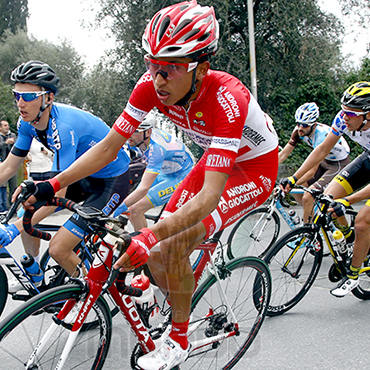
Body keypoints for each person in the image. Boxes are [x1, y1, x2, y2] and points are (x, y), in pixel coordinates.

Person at [17, 2, 279, 368]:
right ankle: (175, 289)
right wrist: (52, 184)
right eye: (151, 65)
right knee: (158, 253)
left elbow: (208, 196)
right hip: (213, 160)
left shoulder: (227, 98)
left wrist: (152, 237)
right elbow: (109, 147)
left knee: (167, 243)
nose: (158, 79)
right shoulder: (150, 87)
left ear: (202, 68)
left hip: (253, 169)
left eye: (170, 68)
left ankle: (179, 338)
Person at [0, 60, 130, 292]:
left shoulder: (62, 126)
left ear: (48, 98)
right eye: (17, 95)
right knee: (25, 207)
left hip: (111, 181)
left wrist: (14, 229)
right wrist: (20, 222)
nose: (20, 102)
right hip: (84, 175)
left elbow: (57, 192)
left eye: (28, 97)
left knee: (59, 248)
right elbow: (9, 167)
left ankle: (90, 296)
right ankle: (35, 276)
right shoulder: (26, 122)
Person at [280, 81, 370, 298]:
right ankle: (348, 238)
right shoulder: (342, 119)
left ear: (367, 115)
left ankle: (353, 275)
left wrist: (348, 201)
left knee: (363, 221)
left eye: (350, 113)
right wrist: (294, 177)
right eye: (343, 110)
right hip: (368, 158)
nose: (344, 116)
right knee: (327, 197)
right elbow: (321, 150)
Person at [114, 111, 194, 230]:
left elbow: (144, 188)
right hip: (164, 172)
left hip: (183, 175)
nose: (130, 134)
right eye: (130, 129)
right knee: (130, 208)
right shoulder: (137, 139)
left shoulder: (156, 149)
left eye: (136, 131)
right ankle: (140, 240)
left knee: (134, 209)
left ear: (148, 132)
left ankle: (144, 246)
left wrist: (116, 210)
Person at [279, 102, 350, 223]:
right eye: (298, 124)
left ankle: (307, 234)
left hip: (338, 164)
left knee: (307, 196)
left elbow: (311, 172)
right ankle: (313, 217)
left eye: (305, 125)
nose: (300, 128)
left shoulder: (321, 136)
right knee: (297, 189)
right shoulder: (298, 131)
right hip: (324, 160)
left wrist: (293, 180)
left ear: (313, 124)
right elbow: (283, 154)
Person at [0, 120, 17, 208]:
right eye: (5, 125)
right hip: (2, 164)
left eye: (8, 125)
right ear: (0, 128)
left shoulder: (12, 135)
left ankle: (13, 207)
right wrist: (5, 143)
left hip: (12, 165)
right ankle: (3, 207)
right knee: (2, 186)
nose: (7, 127)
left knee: (13, 187)